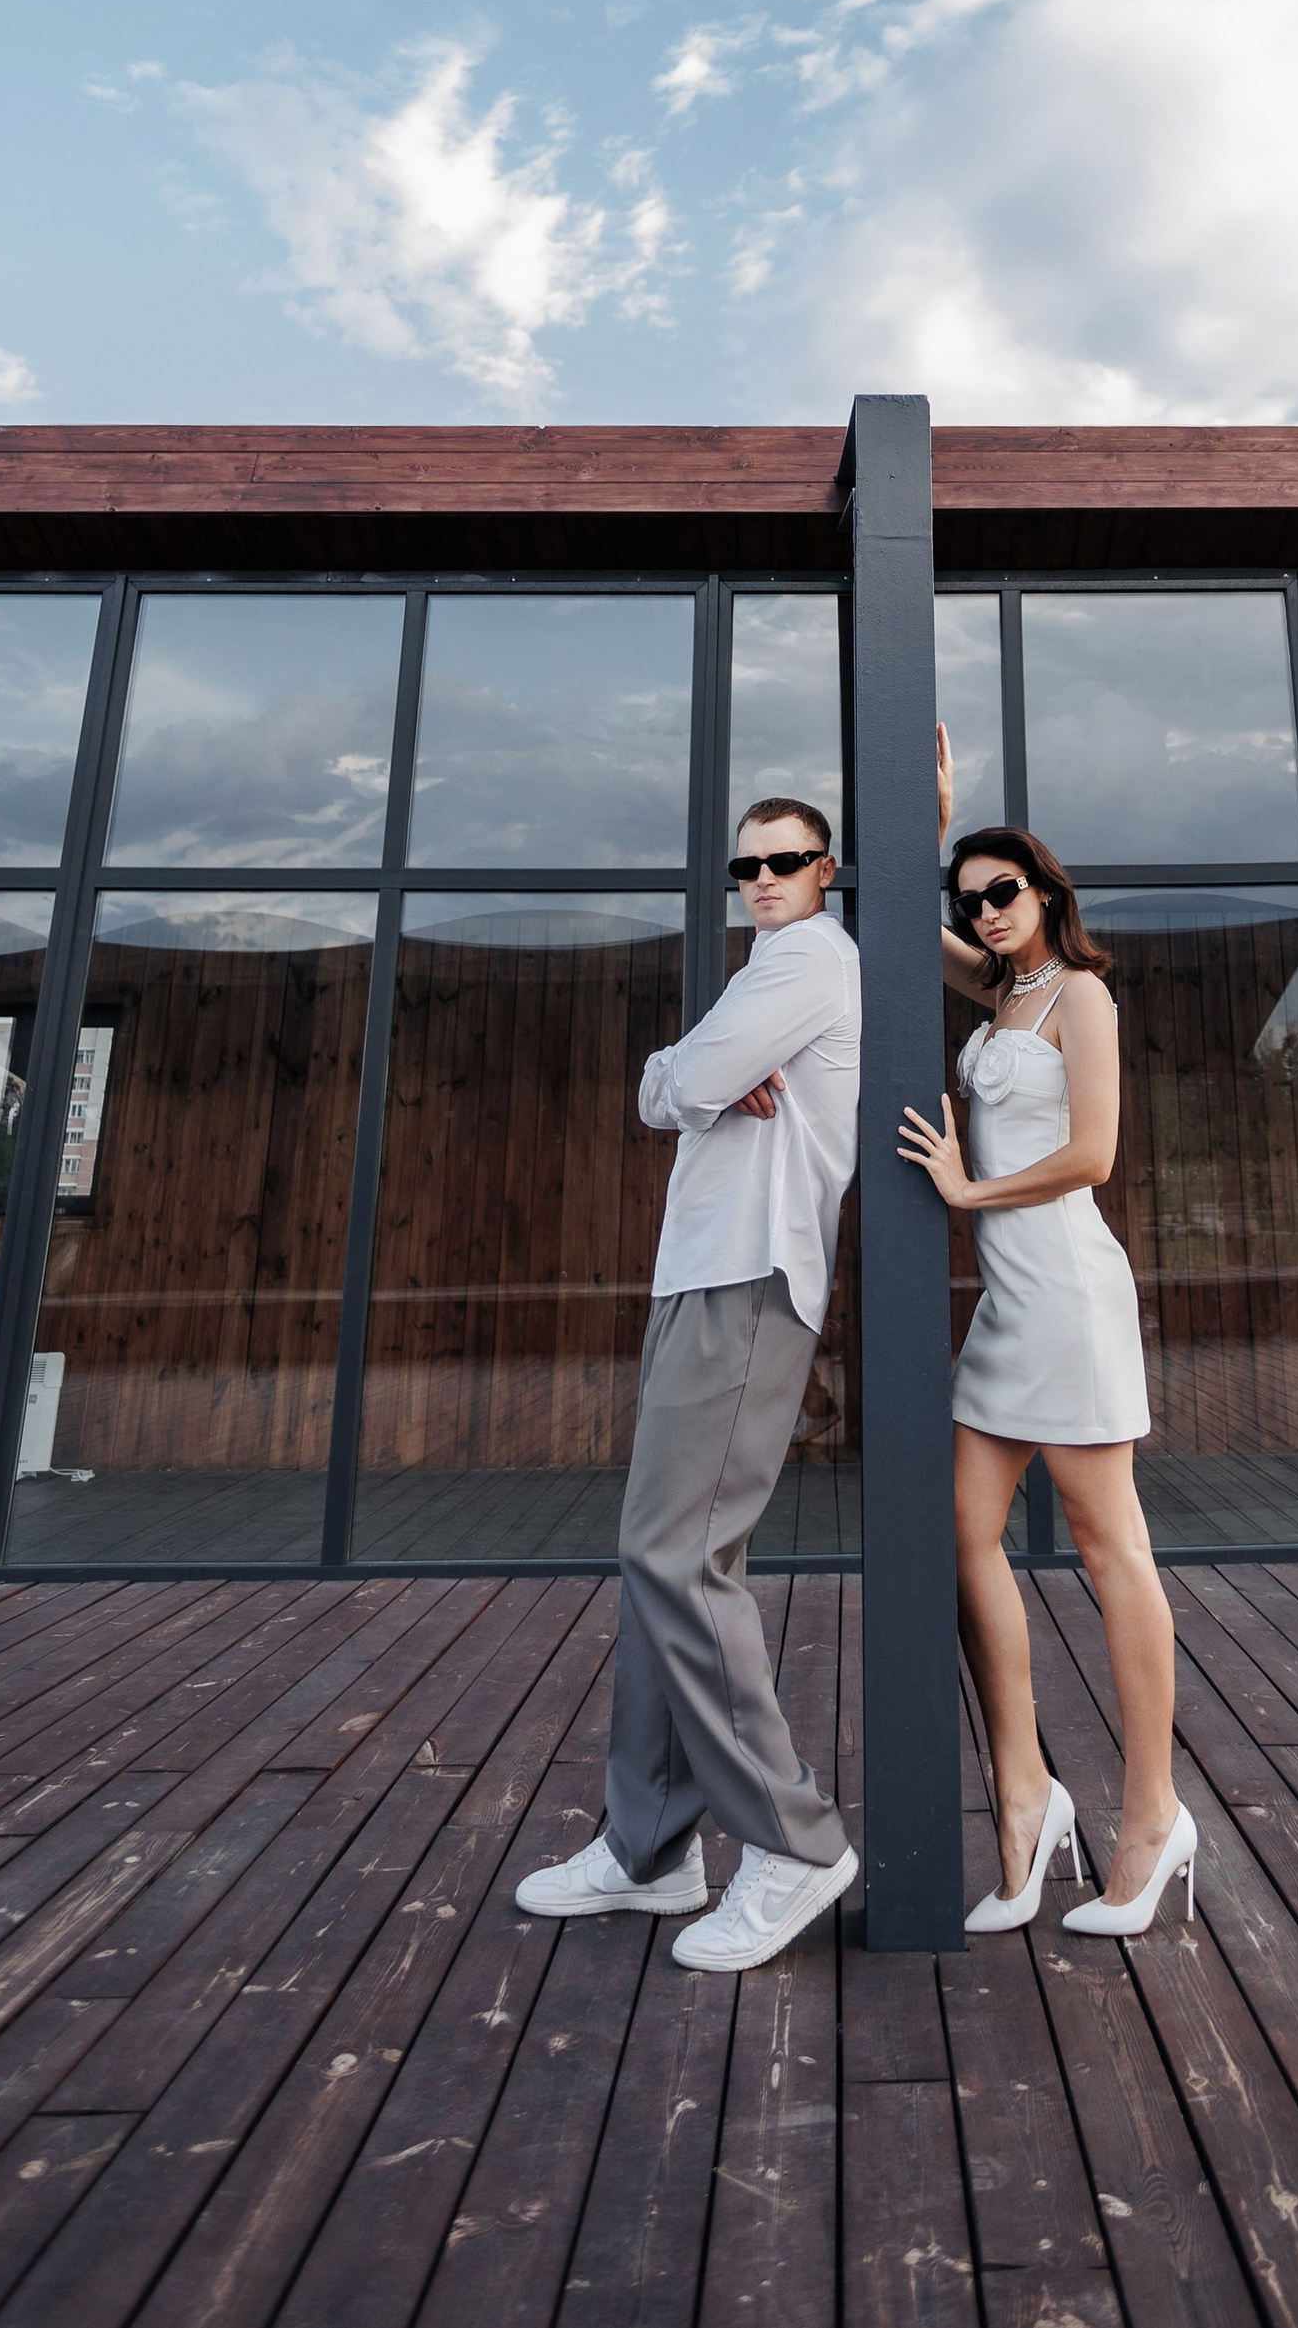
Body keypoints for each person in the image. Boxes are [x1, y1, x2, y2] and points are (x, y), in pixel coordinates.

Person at [517, 797, 861, 1973]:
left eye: (784, 860)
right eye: (745, 863)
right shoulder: (768, 964)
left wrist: (694, 1077)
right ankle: (652, 1845)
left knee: (679, 1556)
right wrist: (693, 1079)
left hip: (750, 1277)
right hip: (702, 1276)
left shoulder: (809, 959)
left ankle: (794, 1836)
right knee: (659, 1559)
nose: (762, 877)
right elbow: (666, 1089)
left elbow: (674, 1081)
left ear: (825, 868)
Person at [896, 734, 1196, 1937]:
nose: (984, 911)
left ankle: (1152, 1813)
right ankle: (1026, 1791)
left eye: (1002, 891)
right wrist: (930, 828)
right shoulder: (1002, 990)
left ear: (1048, 895)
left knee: (1107, 1544)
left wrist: (966, 1192)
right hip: (1008, 1306)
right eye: (969, 899)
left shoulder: (1079, 994)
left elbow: (1091, 1155)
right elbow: (924, 945)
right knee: (961, 1539)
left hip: (1067, 1290)